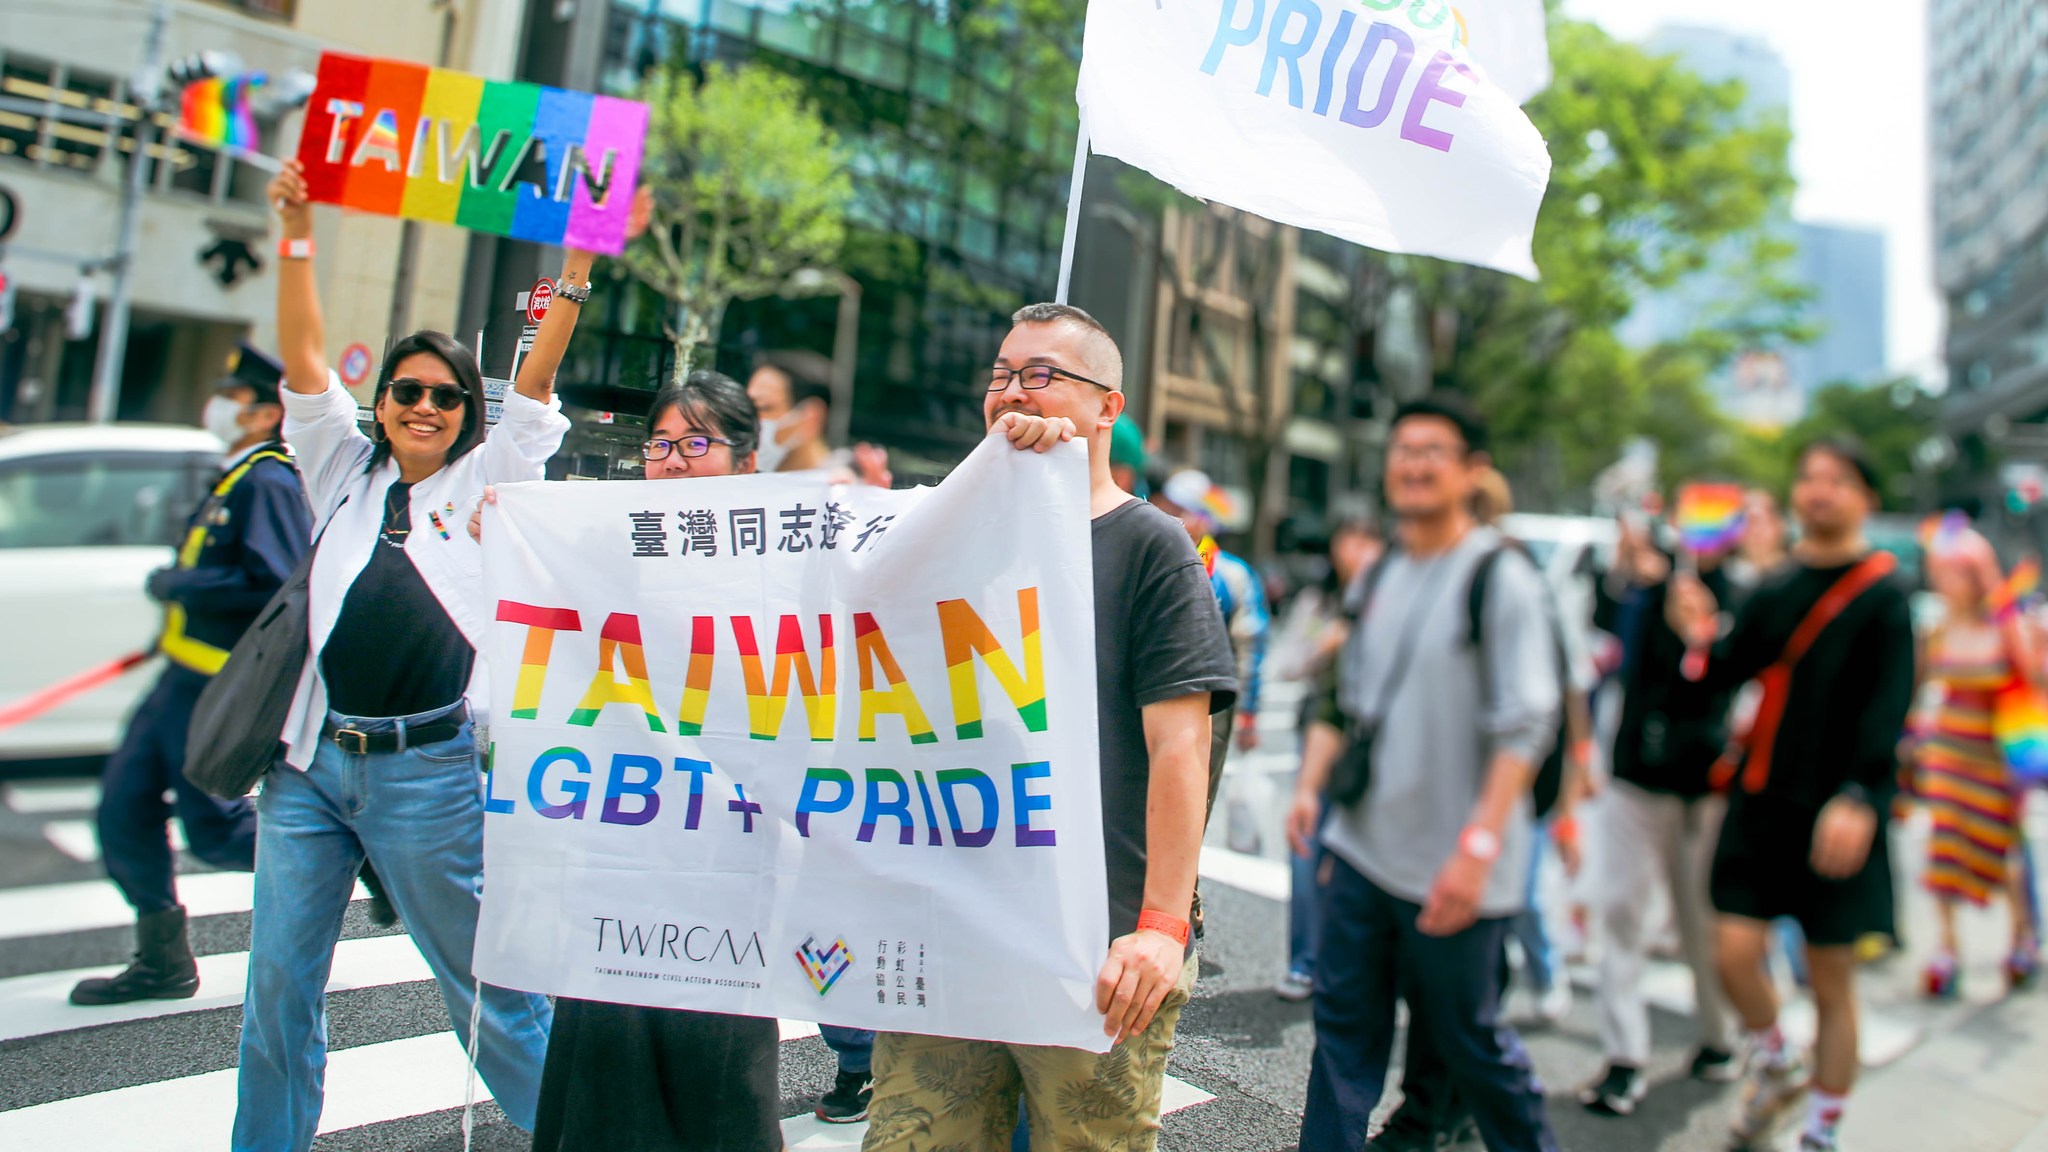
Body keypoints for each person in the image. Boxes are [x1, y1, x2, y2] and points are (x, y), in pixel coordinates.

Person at [233, 160, 640, 1151]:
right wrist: (295, 230)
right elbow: (301, 359)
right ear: (380, 404)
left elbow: (535, 380)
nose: (424, 406)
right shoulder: (340, 466)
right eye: (406, 391)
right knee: (276, 987)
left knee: (488, 993)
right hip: (309, 769)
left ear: (468, 413)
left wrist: (580, 259)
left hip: (429, 775)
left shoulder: (492, 475)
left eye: (446, 396)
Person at [861, 302, 1236, 1152]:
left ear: (1109, 407)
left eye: (1041, 375)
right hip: (946, 923)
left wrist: (1161, 927)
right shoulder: (935, 536)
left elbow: (1182, 743)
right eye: (1000, 375)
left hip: (1094, 943)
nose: (1011, 392)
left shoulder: (1153, 547)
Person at [1287, 393, 1561, 1152]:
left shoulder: (1500, 577)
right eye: (1403, 450)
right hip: (1365, 849)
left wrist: (1478, 850)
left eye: (1433, 451)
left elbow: (1527, 723)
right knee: (1341, 1037)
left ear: (1474, 472)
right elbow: (1344, 703)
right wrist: (1312, 791)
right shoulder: (1379, 575)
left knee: (1472, 1046)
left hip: (1454, 868)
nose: (1412, 464)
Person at [525, 372, 784, 1152]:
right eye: (661, 444)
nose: (672, 461)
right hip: (619, 841)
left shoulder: (785, 564)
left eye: (696, 443)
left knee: (716, 1056)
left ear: (745, 465)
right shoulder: (608, 549)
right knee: (607, 1059)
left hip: (726, 856)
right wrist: (494, 532)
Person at [1666, 437, 1918, 1152]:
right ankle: (1777, 1060)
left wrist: (1861, 797)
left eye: (1836, 480)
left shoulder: (1884, 593)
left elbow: (1888, 709)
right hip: (1761, 801)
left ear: (1866, 497)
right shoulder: (1773, 587)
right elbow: (1722, 672)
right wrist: (1696, 635)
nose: (1818, 490)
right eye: (1808, 478)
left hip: (1837, 815)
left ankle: (1821, 1132)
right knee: (1733, 954)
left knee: (1831, 981)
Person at [69, 345, 311, 1006]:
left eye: (234, 397)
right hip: (180, 683)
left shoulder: (268, 480)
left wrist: (181, 582)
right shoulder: (238, 475)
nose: (221, 405)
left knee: (215, 829)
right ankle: (161, 958)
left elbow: (280, 583)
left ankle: (355, 850)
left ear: (265, 413)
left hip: (212, 690)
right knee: (123, 809)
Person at [1575, 502, 1744, 1117]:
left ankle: (1719, 1036)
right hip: (1632, 778)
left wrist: (1702, 632)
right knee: (1619, 909)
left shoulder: (1733, 594)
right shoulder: (1643, 592)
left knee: (1699, 919)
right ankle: (1625, 1057)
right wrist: (1621, 575)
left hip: (1699, 788)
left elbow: (1726, 678)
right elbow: (1602, 629)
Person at [1913, 524, 2040, 996]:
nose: (1948, 582)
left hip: (1994, 752)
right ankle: (1946, 948)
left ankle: (2022, 937)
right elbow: (1922, 684)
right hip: (1947, 747)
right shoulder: (1938, 623)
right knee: (1944, 845)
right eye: (1941, 573)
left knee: (2001, 847)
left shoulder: (2003, 622)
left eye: (1957, 573)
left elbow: (2033, 680)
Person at [1273, 516, 1382, 1001]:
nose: (1359, 550)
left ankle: (1354, 968)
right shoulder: (1320, 601)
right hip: (1317, 734)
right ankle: (1304, 962)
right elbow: (1288, 664)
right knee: (1307, 850)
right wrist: (1325, 644)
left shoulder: (1394, 597)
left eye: (1370, 539)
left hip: (1375, 746)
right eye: (1351, 537)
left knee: (1359, 856)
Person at [1152, 468, 1268, 759]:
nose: (1171, 516)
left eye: (1182, 510)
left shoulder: (1232, 575)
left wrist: (1247, 713)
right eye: (1167, 507)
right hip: (1151, 699)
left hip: (1212, 707)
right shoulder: (1151, 560)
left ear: (1203, 518)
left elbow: (1250, 644)